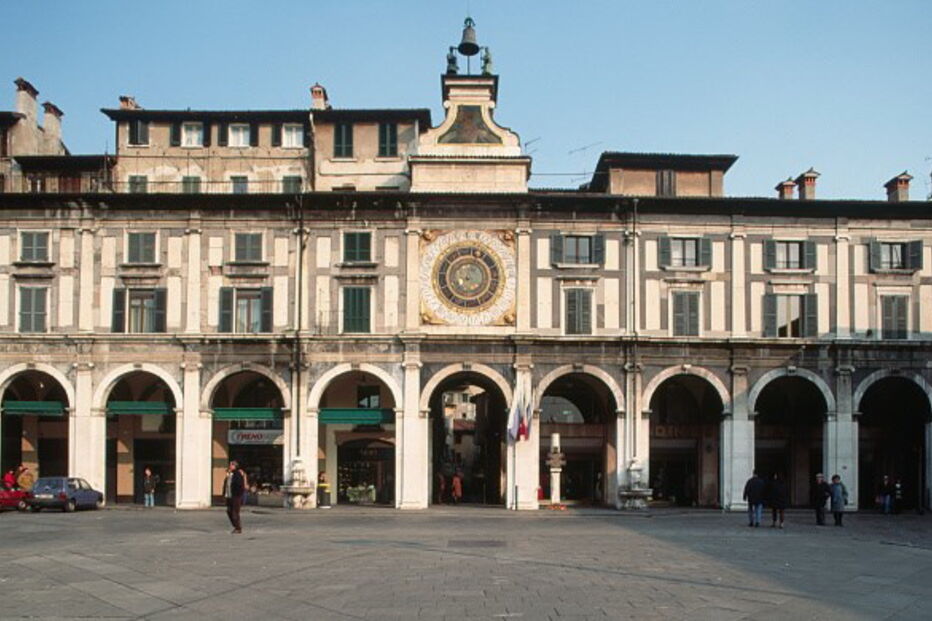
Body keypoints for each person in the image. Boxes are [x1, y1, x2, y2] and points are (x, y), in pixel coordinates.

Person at [222, 460, 246, 534]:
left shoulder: (237, 474)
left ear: (235, 466)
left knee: (234, 512)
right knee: (229, 511)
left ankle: (238, 528)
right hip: (229, 495)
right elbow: (226, 485)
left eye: (231, 465)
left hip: (235, 496)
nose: (230, 466)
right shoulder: (229, 474)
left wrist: (238, 494)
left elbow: (240, 485)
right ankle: (236, 526)